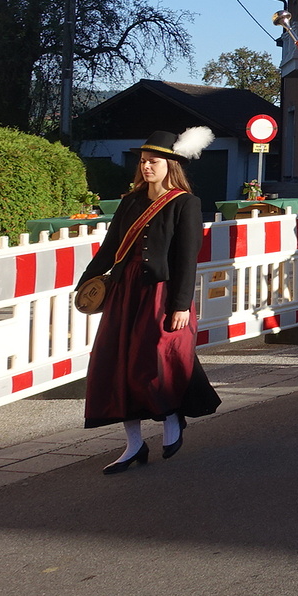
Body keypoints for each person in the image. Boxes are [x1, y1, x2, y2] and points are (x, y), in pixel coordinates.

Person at [81, 128, 222, 474]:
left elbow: (187, 258)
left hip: (162, 293)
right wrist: (86, 282)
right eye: (143, 161)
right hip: (125, 292)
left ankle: (172, 418)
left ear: (170, 165)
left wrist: (180, 305)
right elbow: (110, 247)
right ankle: (133, 444)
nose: (146, 167)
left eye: (153, 162)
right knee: (116, 364)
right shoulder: (130, 201)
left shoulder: (186, 203)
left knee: (155, 363)